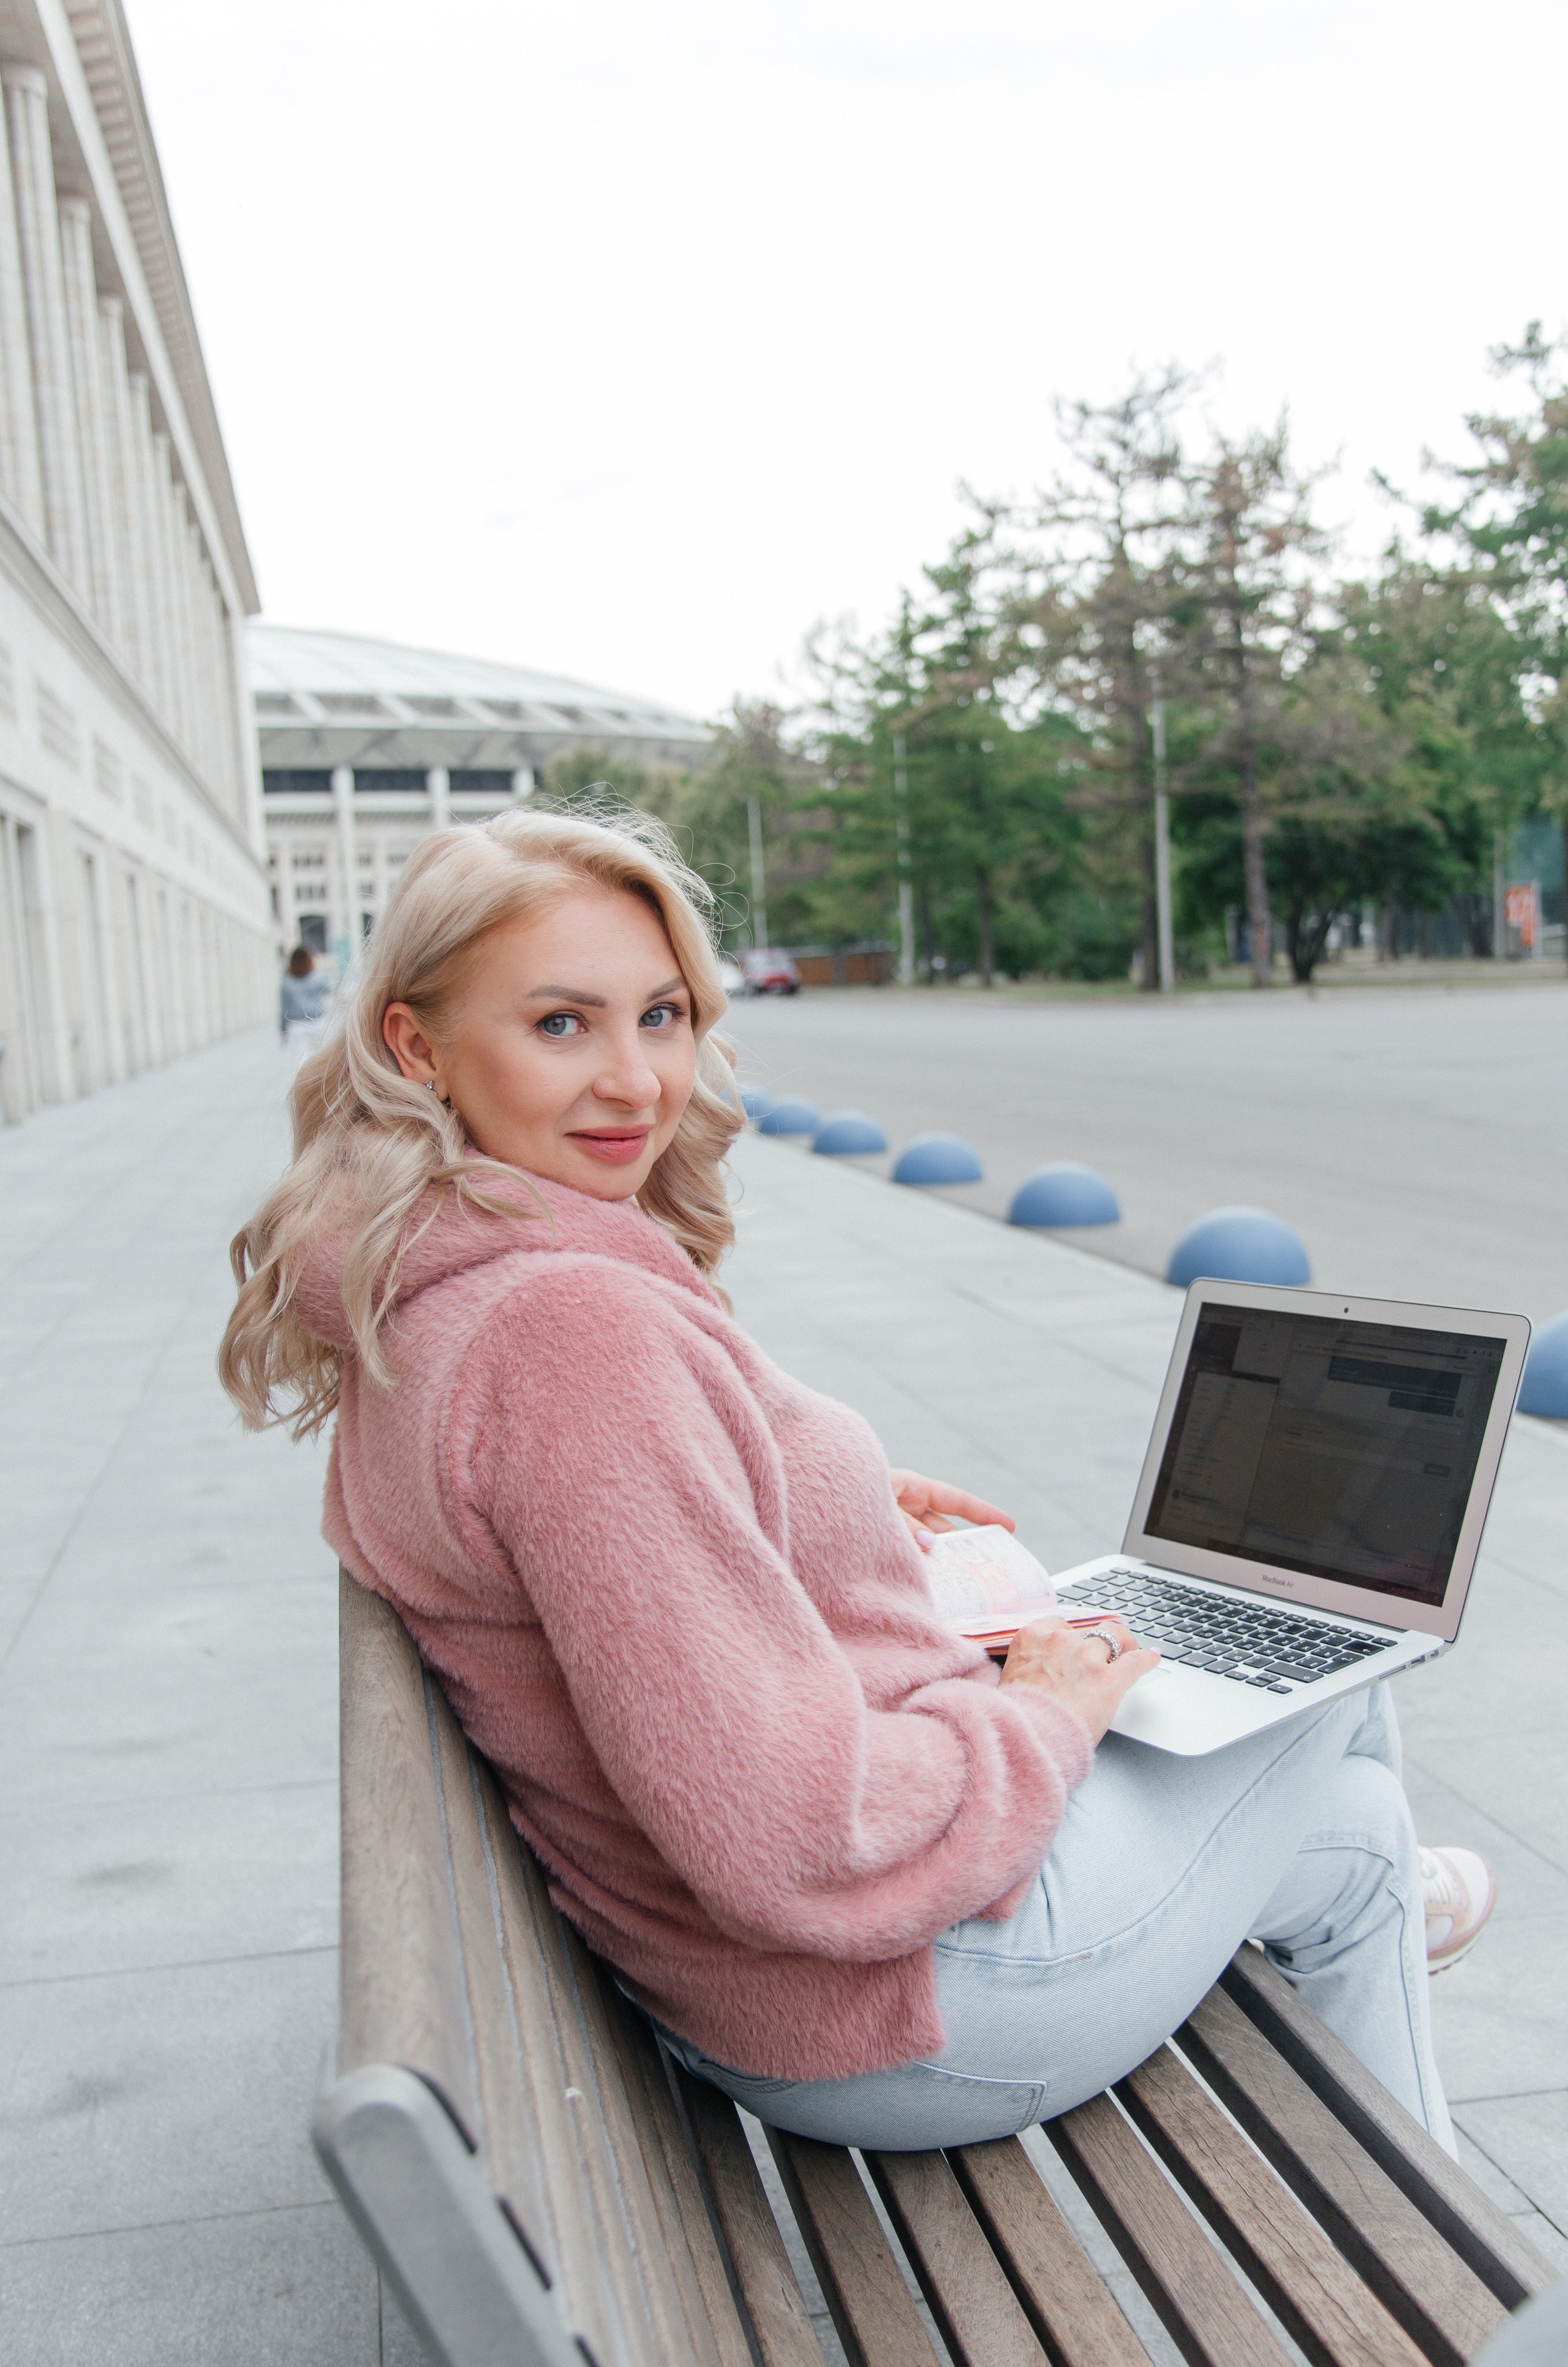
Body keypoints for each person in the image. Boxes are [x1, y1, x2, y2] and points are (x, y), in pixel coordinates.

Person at [220, 809, 1492, 2156]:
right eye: (560, 1024)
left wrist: (799, 1492)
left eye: (661, 1015)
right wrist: (1043, 1720)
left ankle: (1387, 1912)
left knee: (1346, 1808)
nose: (635, 1081)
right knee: (1332, 1650)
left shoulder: (425, 1282)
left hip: (774, 1986)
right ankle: (1401, 1949)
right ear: (418, 1045)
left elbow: (581, 1525)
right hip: (909, 2000)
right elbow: (787, 1836)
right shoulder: (573, 1336)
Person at [279, 943, 332, 1058]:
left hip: (297, 1026)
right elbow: (330, 989)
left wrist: (283, 1030)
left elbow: (284, 1007)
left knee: (301, 1061)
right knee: (321, 1059)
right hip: (318, 1022)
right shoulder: (318, 977)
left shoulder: (287, 982)